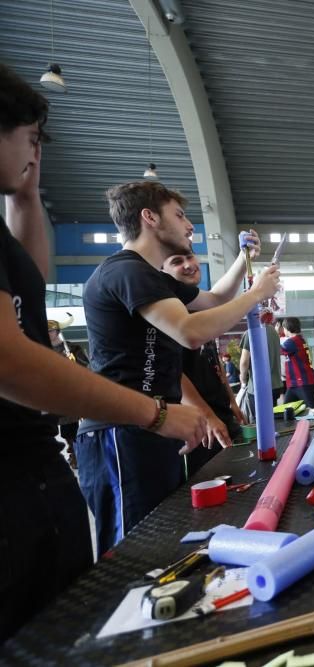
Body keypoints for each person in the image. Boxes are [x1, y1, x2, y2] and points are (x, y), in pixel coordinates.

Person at [0, 64, 207, 641]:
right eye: (31, 139)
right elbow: (10, 361)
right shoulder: (127, 273)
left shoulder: (14, 224)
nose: (35, 154)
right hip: (109, 436)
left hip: (40, 463)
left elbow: (30, 278)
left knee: (72, 618)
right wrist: (158, 412)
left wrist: (26, 192)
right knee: (126, 576)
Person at [76, 180, 280, 556]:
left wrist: (243, 260)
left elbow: (216, 299)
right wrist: (257, 294)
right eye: (181, 216)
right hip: (120, 432)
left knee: (162, 538)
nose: (189, 227)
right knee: (132, 548)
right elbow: (190, 332)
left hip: (156, 425)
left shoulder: (153, 278)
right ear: (149, 217)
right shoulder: (126, 272)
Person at [162, 251, 245, 472]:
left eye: (190, 257)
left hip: (221, 413)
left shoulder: (198, 307)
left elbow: (213, 359)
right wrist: (207, 416)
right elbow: (174, 372)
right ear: (162, 272)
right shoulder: (168, 315)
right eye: (177, 261)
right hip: (200, 423)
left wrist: (232, 400)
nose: (189, 265)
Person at [47, 313, 89, 468]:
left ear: (57, 332)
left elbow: (85, 366)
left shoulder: (71, 348)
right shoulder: (41, 349)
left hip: (69, 393)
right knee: (49, 428)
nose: (48, 334)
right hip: (48, 395)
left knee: (70, 428)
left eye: (50, 331)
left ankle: (76, 453)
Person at [239, 316, 284, 418]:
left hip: (258, 388)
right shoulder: (274, 332)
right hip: (275, 385)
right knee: (271, 420)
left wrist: (243, 380)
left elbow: (244, 362)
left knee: (258, 423)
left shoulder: (251, 332)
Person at [281, 316, 314, 408]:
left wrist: (275, 334)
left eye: (283, 328)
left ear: (287, 328)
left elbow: (278, 350)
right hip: (294, 384)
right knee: (286, 412)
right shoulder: (299, 340)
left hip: (303, 382)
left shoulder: (292, 342)